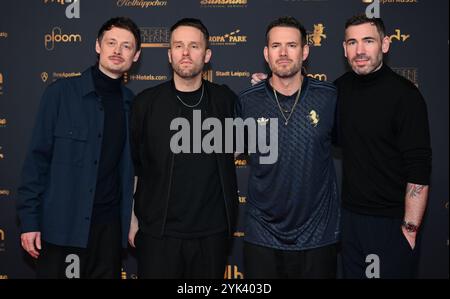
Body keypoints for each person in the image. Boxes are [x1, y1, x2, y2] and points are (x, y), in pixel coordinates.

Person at [17, 17, 141, 279]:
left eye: (126, 46)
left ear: (136, 55)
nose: (117, 51)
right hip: (62, 229)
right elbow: (37, 161)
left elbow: (133, 172)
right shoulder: (61, 93)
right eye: (111, 42)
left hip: (108, 233)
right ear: (98, 46)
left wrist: (131, 220)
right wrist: (29, 221)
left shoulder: (133, 105)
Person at [129, 18, 238, 279]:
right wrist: (132, 220)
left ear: (207, 54)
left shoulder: (226, 100)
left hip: (212, 235)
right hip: (158, 234)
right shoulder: (145, 104)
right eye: (178, 46)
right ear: (169, 54)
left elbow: (240, 146)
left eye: (194, 46)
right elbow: (134, 165)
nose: (186, 53)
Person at [237, 16, 340, 279]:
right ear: (266, 53)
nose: (283, 53)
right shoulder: (247, 101)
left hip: (317, 235)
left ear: (305, 51)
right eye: (276, 46)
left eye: (291, 45)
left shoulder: (329, 97)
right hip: (262, 234)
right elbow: (225, 153)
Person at [334, 15, 432, 279]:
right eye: (352, 42)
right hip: (350, 220)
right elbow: (313, 127)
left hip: (391, 223)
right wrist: (273, 87)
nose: (360, 50)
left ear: (385, 44)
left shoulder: (405, 95)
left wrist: (410, 228)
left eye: (368, 41)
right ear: (344, 49)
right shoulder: (338, 90)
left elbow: (419, 166)